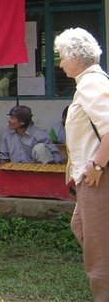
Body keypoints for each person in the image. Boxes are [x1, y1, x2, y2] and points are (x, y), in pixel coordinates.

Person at [54, 27, 109, 301]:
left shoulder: (91, 83)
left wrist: (97, 166)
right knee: (81, 227)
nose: (60, 64)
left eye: (62, 57)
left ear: (75, 56)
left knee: (99, 254)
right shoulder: (88, 83)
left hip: (99, 178)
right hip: (90, 178)